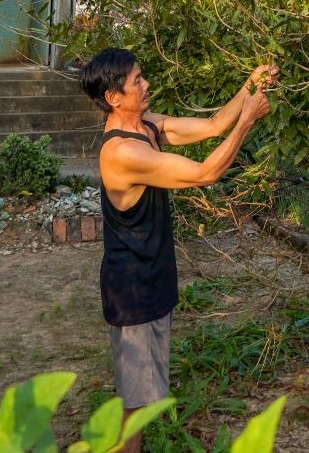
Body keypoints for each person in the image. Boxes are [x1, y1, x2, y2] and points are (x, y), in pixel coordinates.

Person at [80, 48, 276, 453]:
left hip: (152, 279)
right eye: (137, 80)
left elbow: (212, 125)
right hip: (132, 291)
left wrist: (250, 85)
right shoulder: (122, 152)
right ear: (114, 97)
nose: (146, 83)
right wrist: (248, 120)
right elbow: (205, 172)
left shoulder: (146, 126)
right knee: (135, 405)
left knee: (142, 400)